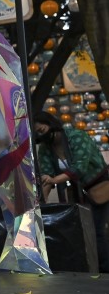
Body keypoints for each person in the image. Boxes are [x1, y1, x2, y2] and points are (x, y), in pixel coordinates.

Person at [35, 110, 109, 273]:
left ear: (51, 124)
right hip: (77, 192)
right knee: (80, 233)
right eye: (38, 134)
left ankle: (104, 270)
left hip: (99, 186)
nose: (42, 136)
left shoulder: (77, 136)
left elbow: (79, 168)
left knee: (97, 231)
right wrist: (41, 203)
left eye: (42, 130)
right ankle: (88, 268)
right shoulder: (46, 148)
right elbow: (47, 175)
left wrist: (54, 180)